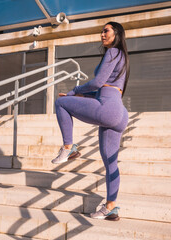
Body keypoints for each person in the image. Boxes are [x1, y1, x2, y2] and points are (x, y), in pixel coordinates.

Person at [52, 21, 130, 221]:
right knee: (111, 164)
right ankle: (110, 207)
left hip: (108, 107)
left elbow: (96, 83)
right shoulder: (122, 57)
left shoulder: (113, 52)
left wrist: (74, 91)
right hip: (119, 112)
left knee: (61, 103)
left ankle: (68, 146)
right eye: (101, 31)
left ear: (117, 34)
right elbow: (105, 89)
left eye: (106, 31)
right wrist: (82, 97)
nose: (102, 34)